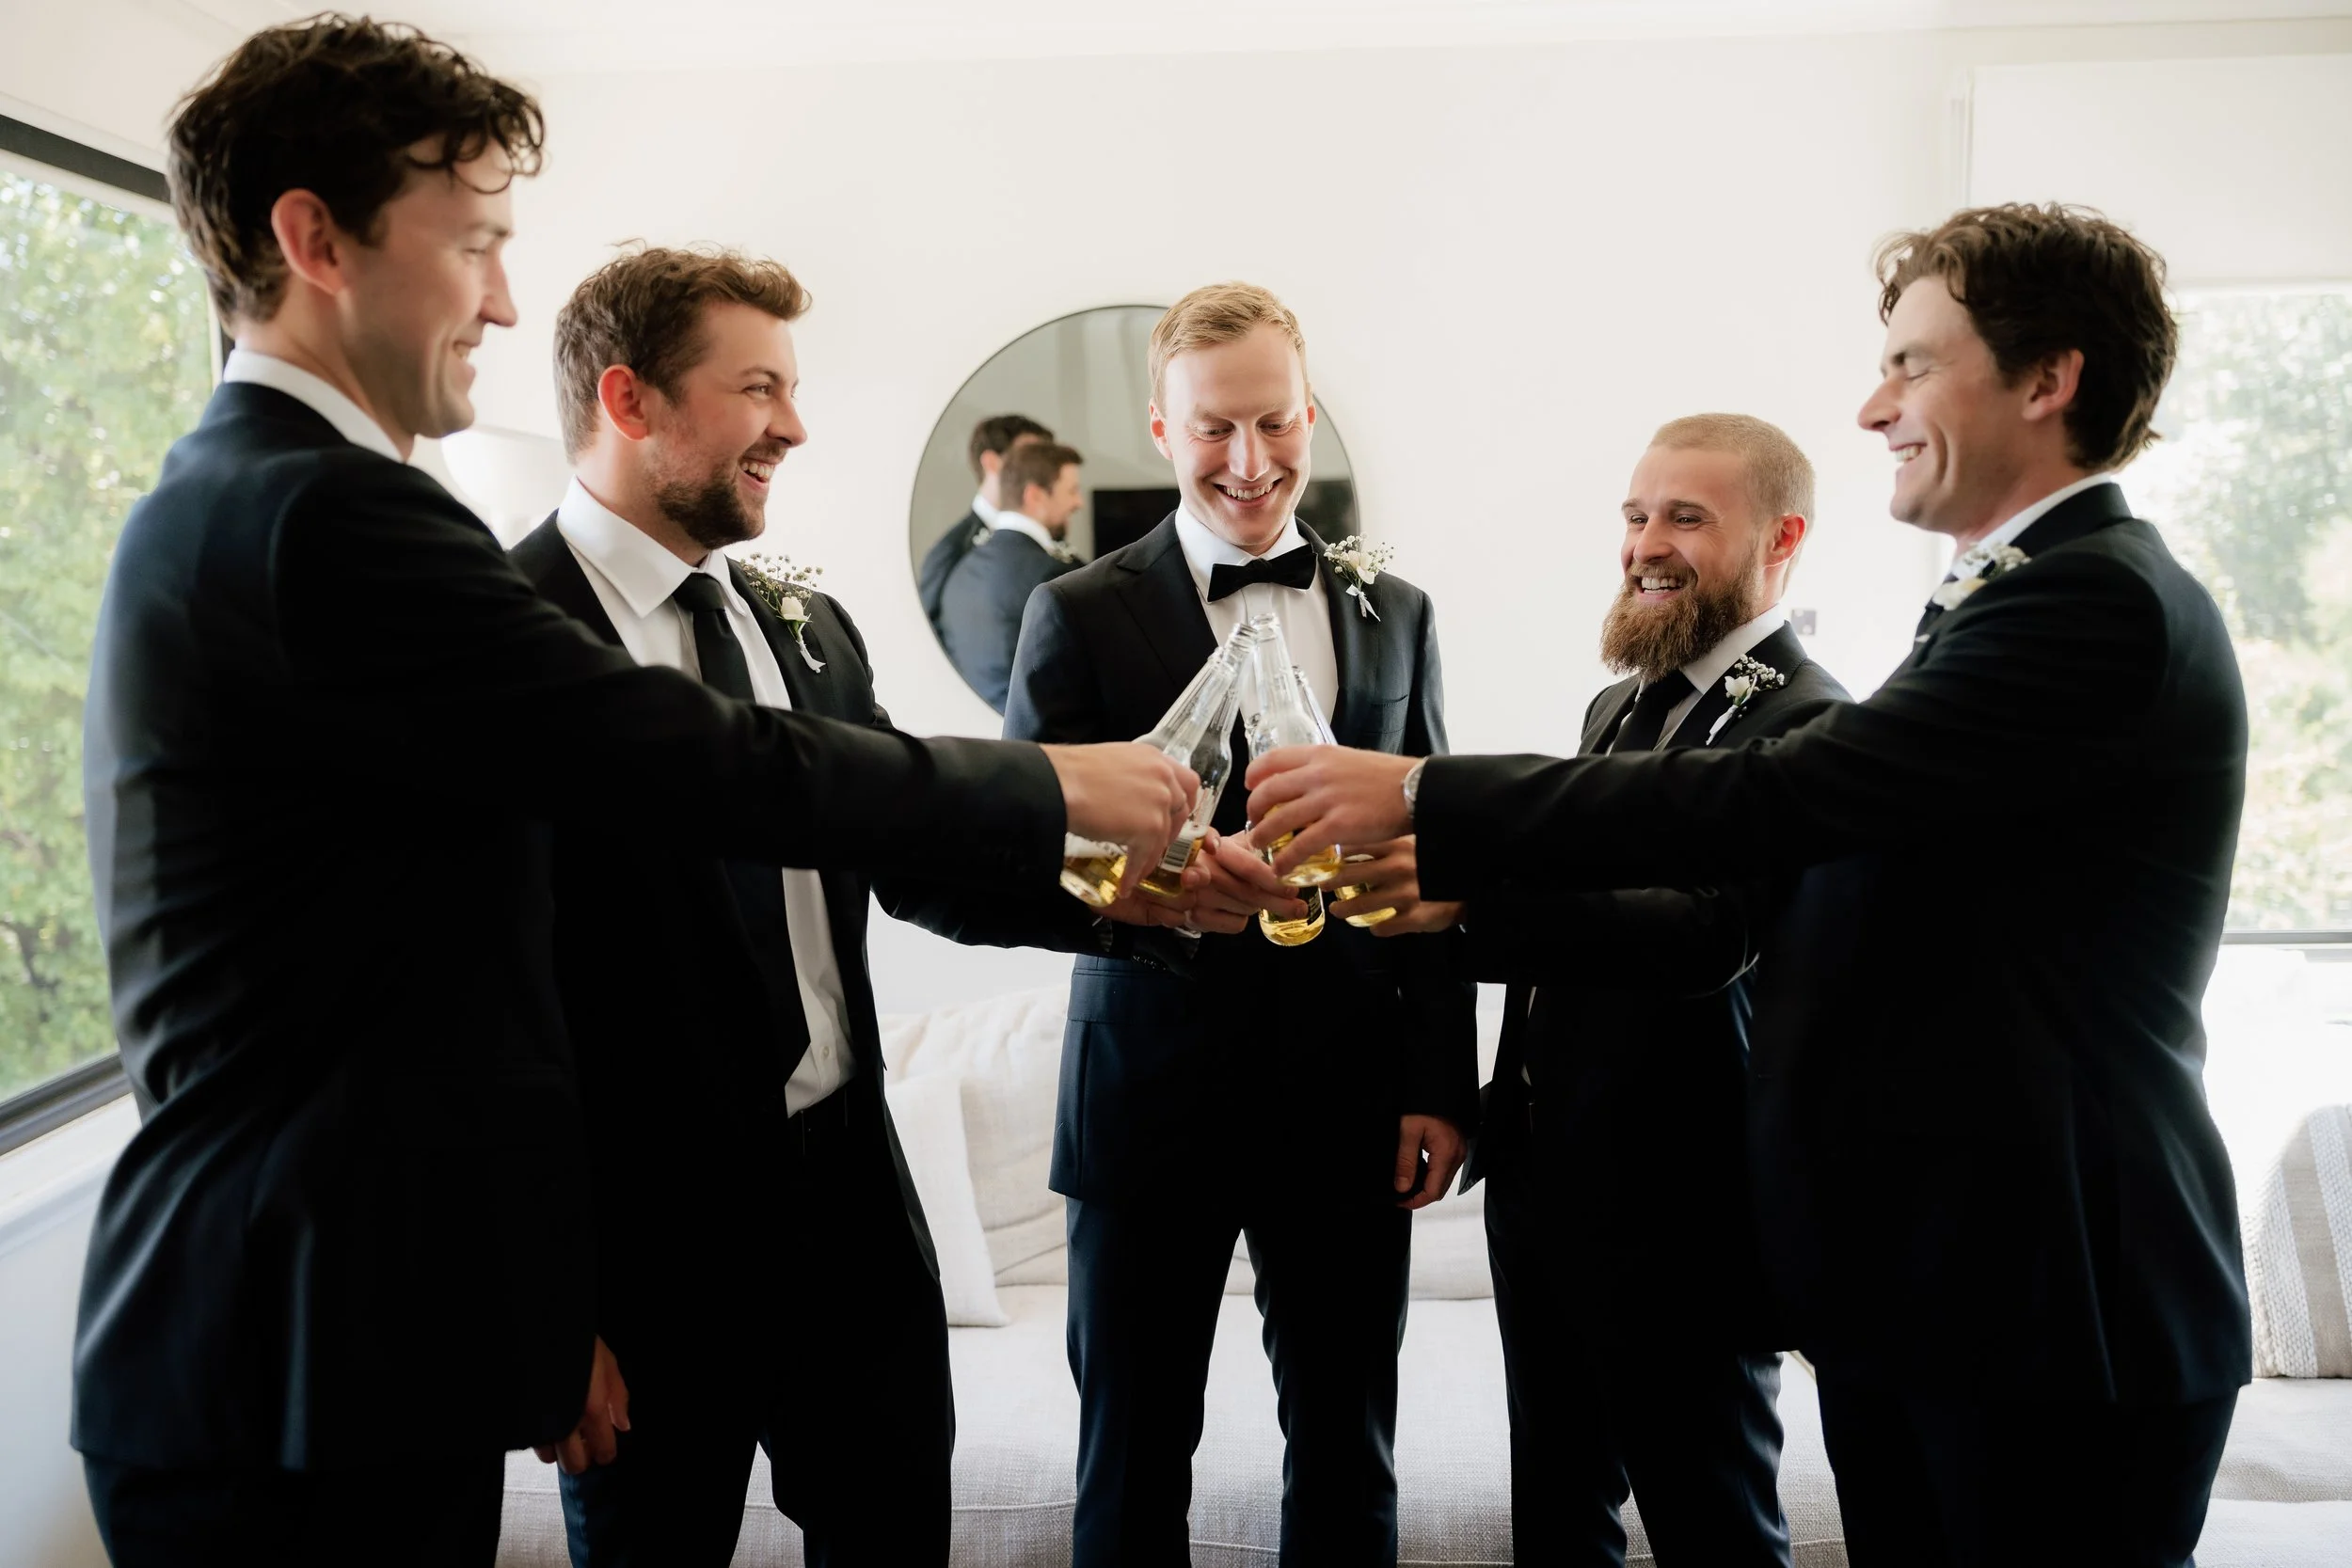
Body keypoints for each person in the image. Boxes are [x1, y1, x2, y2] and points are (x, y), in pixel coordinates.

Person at [72, 20, 1188, 1566]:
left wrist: (1124, 892)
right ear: (315, 239)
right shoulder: (329, 515)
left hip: (352, 1321)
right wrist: (1055, 780)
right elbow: (699, 769)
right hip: (311, 1337)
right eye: (473, 242)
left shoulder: (248, 498)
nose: (503, 296)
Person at [1245, 204, 2250, 1568]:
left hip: (2049, 1282)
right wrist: (1453, 895)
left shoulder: (2096, 600)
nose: (1872, 402)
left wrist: (1430, 794)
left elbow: (1771, 811)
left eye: (1911, 361)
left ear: (2046, 377)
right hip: (1943, 1280)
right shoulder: (2001, 598)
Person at [899, 281, 1477, 1567]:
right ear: (1162, 432)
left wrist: (1441, 1080)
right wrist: (1154, 893)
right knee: (1131, 1456)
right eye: (1215, 429)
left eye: (1273, 423)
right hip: (1146, 1093)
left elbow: (1427, 857)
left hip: (1349, 1086)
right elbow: (1013, 856)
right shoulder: (1077, 611)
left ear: (1309, 417)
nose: (1249, 460)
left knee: (1348, 1448)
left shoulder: (1401, 611)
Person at [508, 245, 961, 1563]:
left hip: (856, 1214)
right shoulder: (500, 633)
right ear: (631, 399)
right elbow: (479, 1009)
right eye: (758, 386)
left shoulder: (804, 621)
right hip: (645, 1258)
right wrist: (550, 1303)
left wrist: (1136, 907)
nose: (796, 426)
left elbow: (918, 846)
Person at [1346, 414, 1844, 1564]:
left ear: (1783, 538)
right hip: (1542, 1184)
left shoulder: (1806, 724)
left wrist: (1467, 901)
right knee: (1558, 1519)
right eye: (1634, 515)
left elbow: (1701, 931)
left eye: (1685, 517)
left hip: (1686, 1204)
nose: (1645, 544)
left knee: (1711, 1520)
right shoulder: (1613, 709)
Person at [936, 438, 1085, 711]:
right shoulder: (1053, 575)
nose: (1079, 503)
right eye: (1072, 491)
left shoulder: (962, 570)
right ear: (1035, 496)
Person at [918, 412, 1053, 635]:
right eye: (1029, 459)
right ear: (991, 462)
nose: (1044, 473)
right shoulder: (951, 550)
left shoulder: (1050, 538)